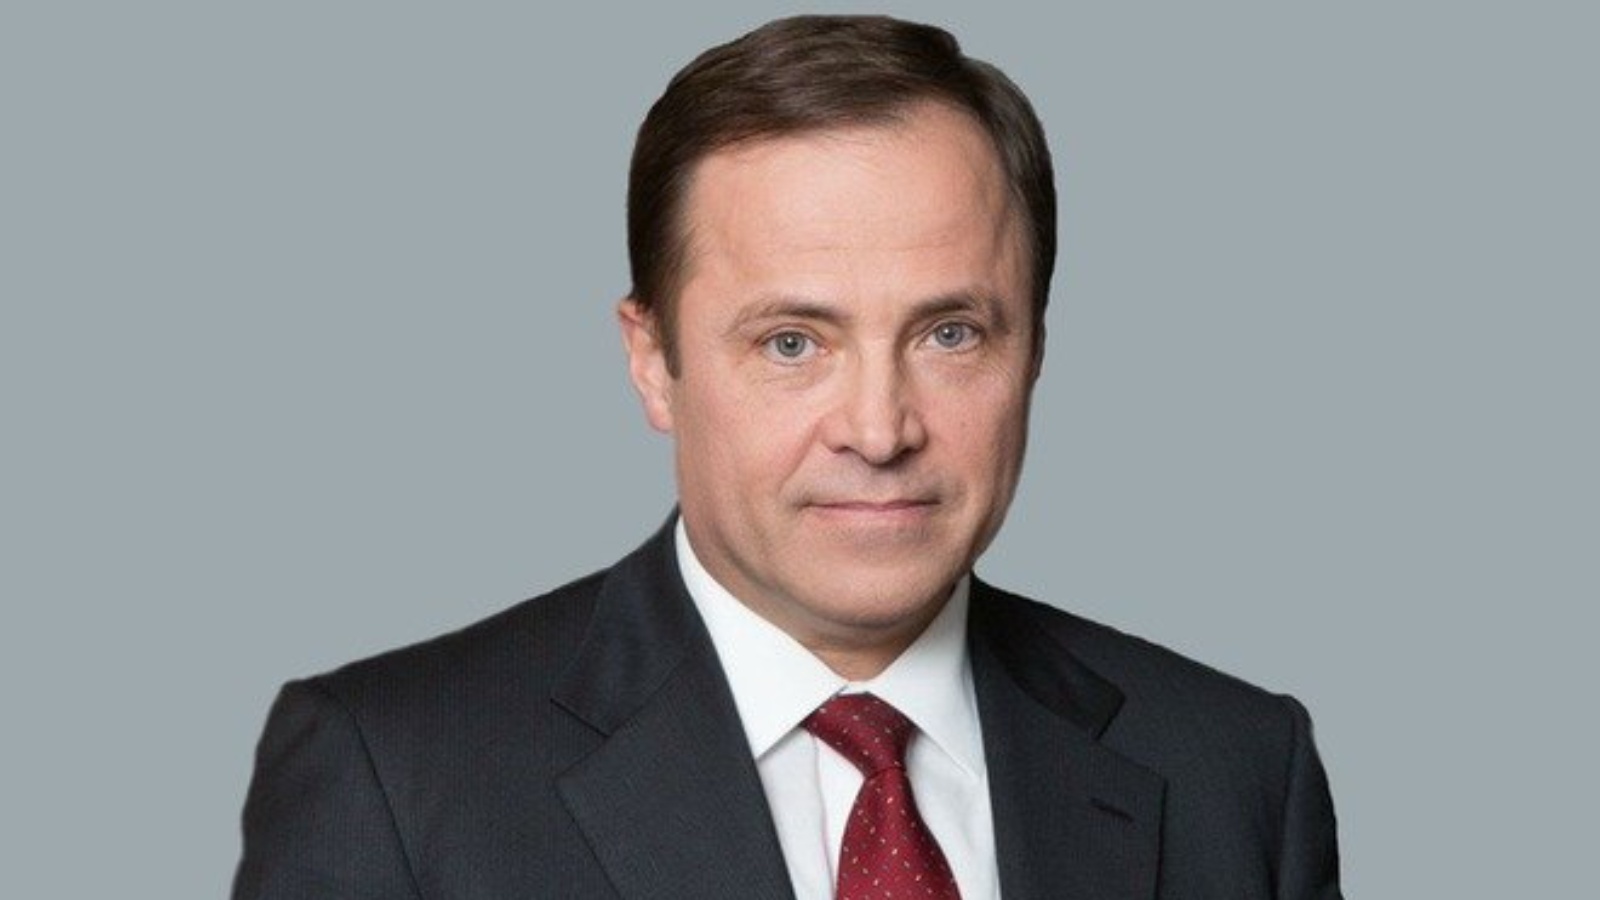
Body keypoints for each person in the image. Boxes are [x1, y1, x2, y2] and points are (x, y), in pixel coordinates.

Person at [232, 15, 1342, 900]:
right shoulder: (393, 777)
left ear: (1035, 351)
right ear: (653, 362)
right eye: (792, 343)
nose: (879, 429)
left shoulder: (1238, 772)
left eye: (950, 334)